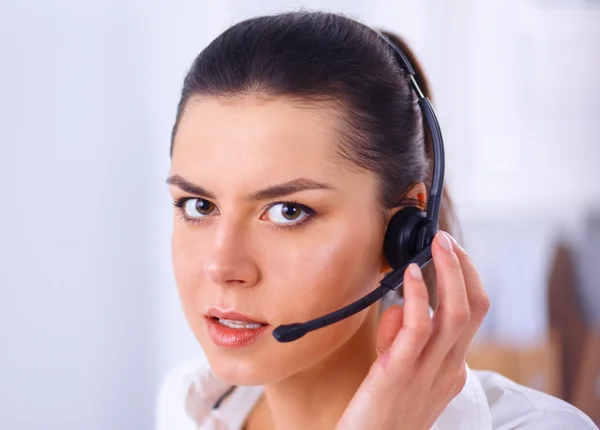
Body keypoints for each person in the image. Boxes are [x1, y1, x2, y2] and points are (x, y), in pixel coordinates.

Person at [157, 10, 597, 430]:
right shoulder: (189, 405)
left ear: (404, 232)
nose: (222, 266)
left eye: (288, 212)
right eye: (198, 205)